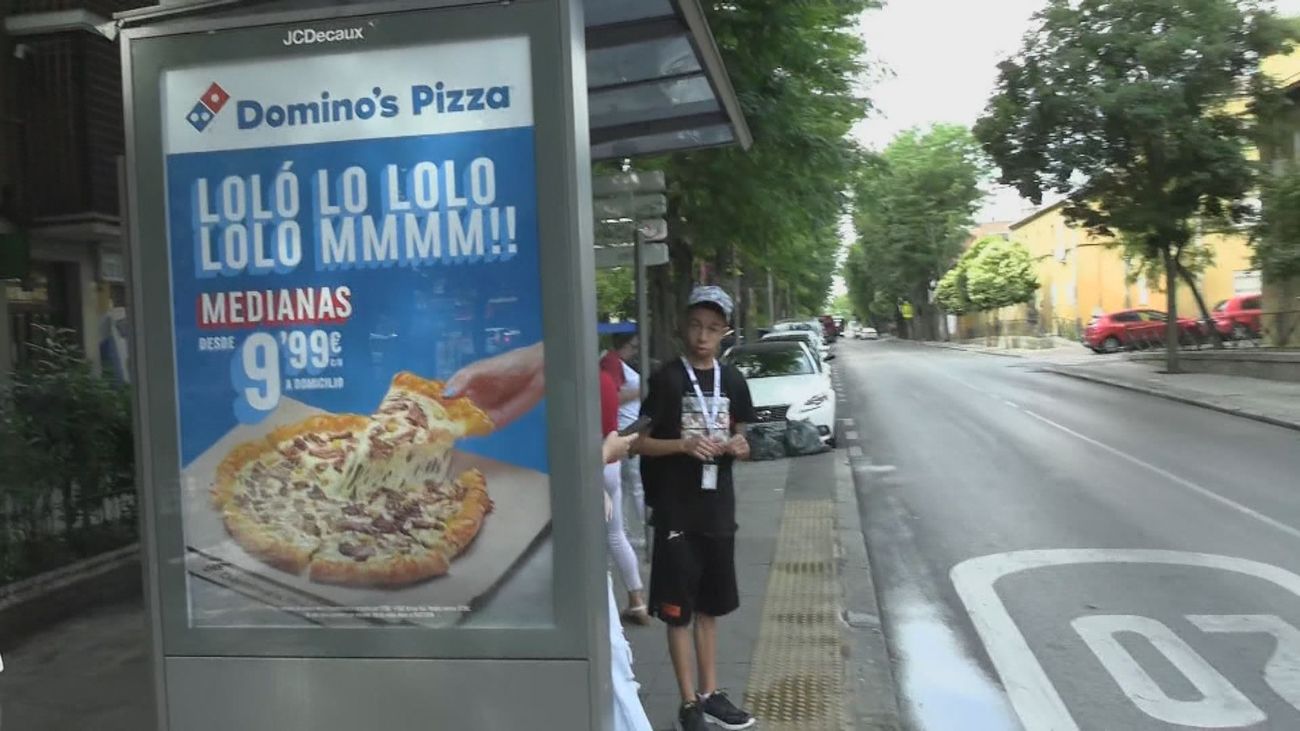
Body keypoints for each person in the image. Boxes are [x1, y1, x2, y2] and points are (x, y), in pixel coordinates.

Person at [636, 285, 757, 731]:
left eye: (712, 328)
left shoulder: (733, 380)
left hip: (717, 512)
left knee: (711, 608)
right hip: (675, 513)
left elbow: (745, 436)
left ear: (725, 332)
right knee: (677, 610)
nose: (703, 336)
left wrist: (742, 446)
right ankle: (688, 703)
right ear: (683, 328)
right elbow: (639, 443)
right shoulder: (667, 379)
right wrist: (685, 444)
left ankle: (711, 695)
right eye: (695, 326)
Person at [600, 365, 650, 624]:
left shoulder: (569, 384)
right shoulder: (606, 381)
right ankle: (637, 600)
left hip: (592, 462)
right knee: (616, 534)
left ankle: (605, 607)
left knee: (593, 541)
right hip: (611, 461)